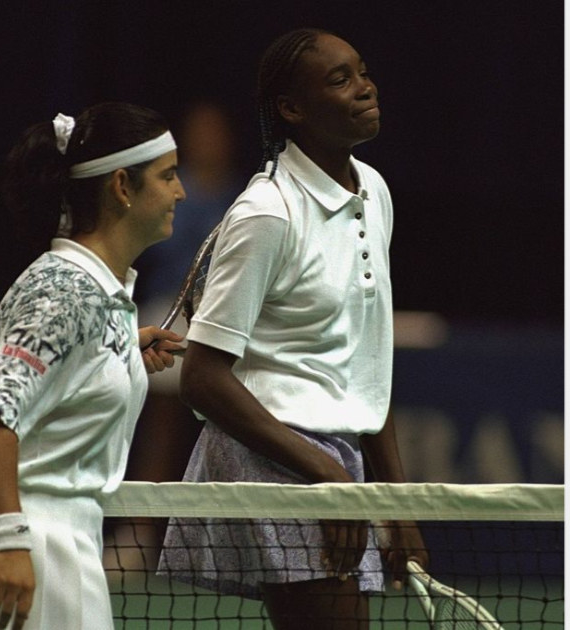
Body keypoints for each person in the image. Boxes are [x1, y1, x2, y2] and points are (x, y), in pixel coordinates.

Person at [158, 28, 428, 629]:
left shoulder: (374, 192)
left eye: (362, 71)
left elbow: (367, 365)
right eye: (340, 79)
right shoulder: (266, 214)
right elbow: (202, 377)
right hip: (272, 455)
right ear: (291, 109)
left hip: (337, 459)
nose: (365, 88)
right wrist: (326, 473)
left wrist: (395, 501)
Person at [0, 102, 186, 630]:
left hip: (65, 544)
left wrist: (120, 352)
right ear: (122, 186)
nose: (180, 192)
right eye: (167, 176)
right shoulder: (62, 292)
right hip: (34, 548)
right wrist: (9, 542)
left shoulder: (96, 296)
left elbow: (57, 377)